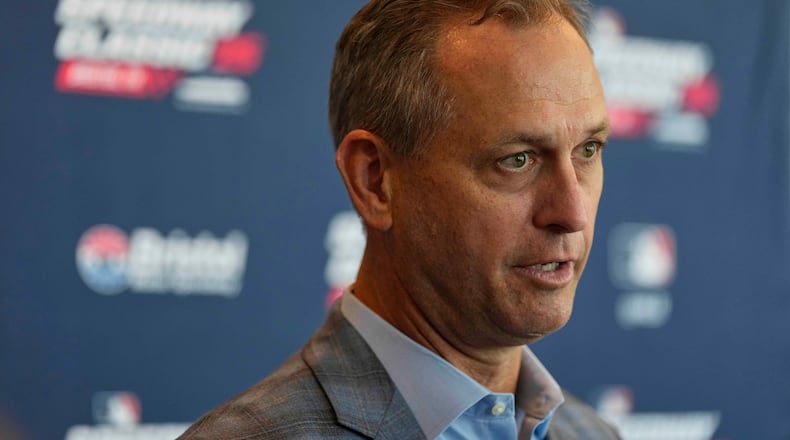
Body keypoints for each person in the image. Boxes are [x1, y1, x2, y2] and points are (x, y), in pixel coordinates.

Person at [179, 0, 619, 438]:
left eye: (588, 150)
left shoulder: (594, 433)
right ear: (374, 181)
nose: (572, 212)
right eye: (517, 160)